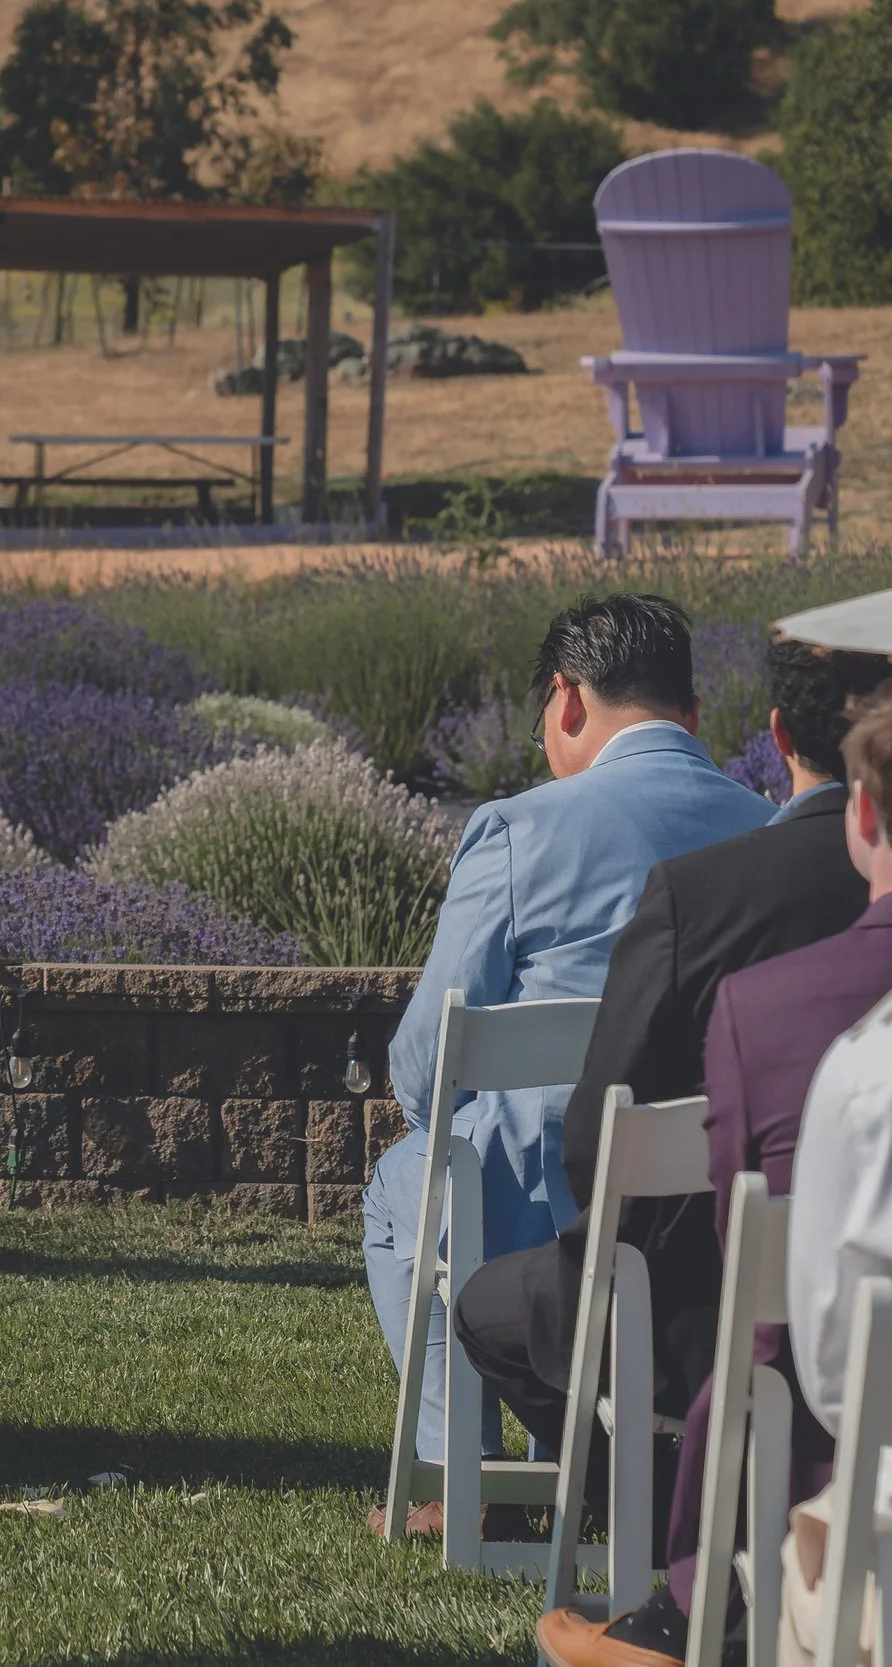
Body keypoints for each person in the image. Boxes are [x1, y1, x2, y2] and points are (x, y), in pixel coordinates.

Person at [364, 594, 773, 1539]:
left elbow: (428, 1072)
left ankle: (474, 1476)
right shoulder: (769, 831)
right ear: (696, 715)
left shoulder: (519, 830)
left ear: (567, 699)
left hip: (544, 1205)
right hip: (718, 1205)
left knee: (400, 1187)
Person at [532, 669, 892, 1667]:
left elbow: (785, 1308)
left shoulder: (778, 1008)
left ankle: (687, 1615)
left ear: (863, 812)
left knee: (756, 1349)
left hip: (834, 1434)